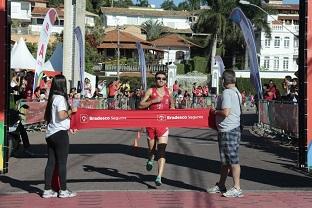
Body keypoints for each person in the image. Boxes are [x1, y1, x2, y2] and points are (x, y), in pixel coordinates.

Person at [207, 69, 243, 198]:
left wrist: (214, 111)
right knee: (226, 161)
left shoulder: (227, 93)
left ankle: (237, 187)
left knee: (232, 160)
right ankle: (221, 185)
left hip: (229, 130)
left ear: (223, 80)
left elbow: (226, 112)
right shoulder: (236, 92)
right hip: (229, 129)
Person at [42, 74, 77, 198]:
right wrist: (71, 111)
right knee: (62, 163)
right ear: (63, 85)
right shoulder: (61, 99)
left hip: (51, 133)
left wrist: (69, 127)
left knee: (51, 162)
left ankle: (47, 190)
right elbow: (62, 115)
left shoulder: (52, 97)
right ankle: (63, 190)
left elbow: (53, 118)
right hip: (59, 134)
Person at [139, 71, 175, 186]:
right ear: (155, 80)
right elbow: (140, 105)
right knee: (151, 149)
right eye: (158, 78)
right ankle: (150, 158)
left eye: (163, 79)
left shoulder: (169, 92)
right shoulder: (151, 91)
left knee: (162, 151)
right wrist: (153, 101)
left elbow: (173, 107)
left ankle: (159, 176)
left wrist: (173, 112)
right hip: (151, 124)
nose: (161, 80)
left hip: (163, 125)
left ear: (165, 80)